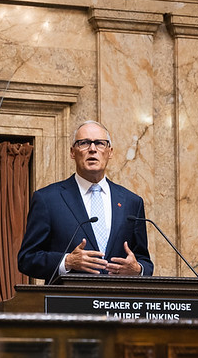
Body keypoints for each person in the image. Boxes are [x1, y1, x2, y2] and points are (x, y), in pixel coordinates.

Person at [17, 121, 153, 282]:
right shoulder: (47, 199)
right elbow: (27, 259)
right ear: (72, 152)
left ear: (110, 152)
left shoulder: (131, 202)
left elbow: (144, 261)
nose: (93, 149)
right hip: (68, 302)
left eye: (100, 143)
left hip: (117, 302)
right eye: (84, 143)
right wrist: (67, 262)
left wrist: (137, 270)